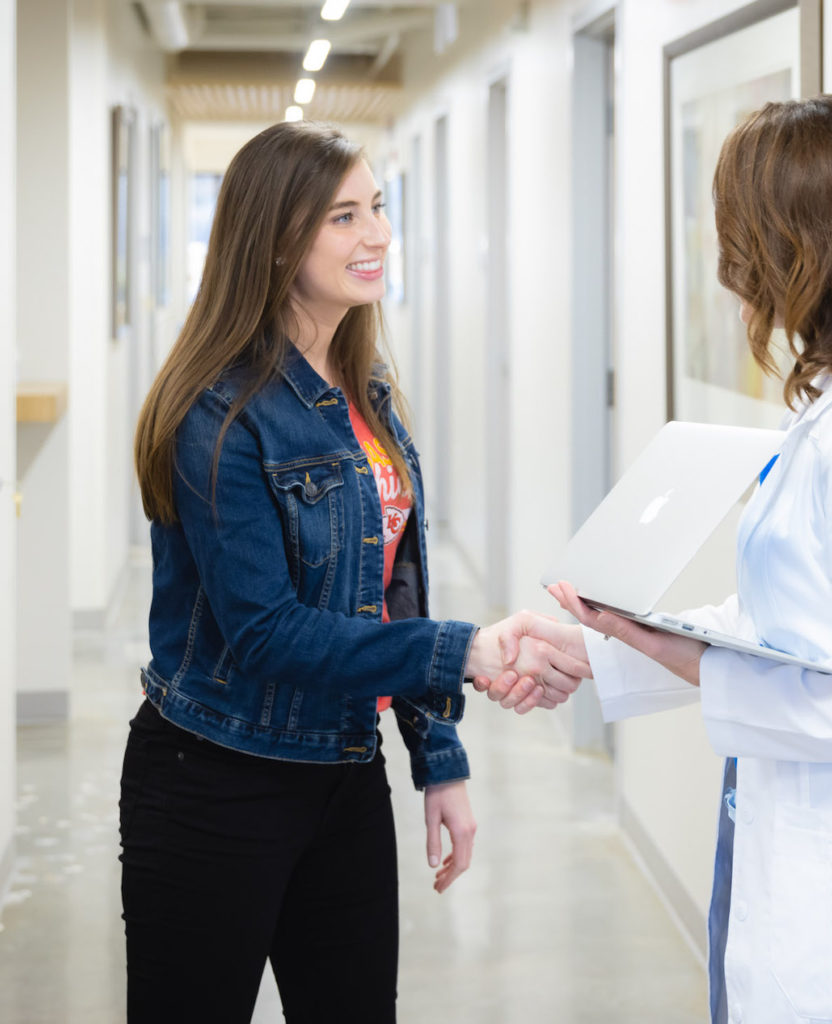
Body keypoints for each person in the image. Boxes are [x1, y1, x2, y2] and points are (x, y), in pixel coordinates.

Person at [478, 96, 832, 1023]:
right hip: (819, 871)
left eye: (737, 235)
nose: (728, 269)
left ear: (795, 247)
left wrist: (686, 658)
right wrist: (603, 648)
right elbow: (799, 628)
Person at [122, 121, 588, 1024]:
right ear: (274, 237)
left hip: (343, 771)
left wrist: (439, 760)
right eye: (343, 216)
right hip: (217, 781)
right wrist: (468, 651)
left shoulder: (366, 391)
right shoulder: (217, 411)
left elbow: (388, 596)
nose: (377, 234)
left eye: (376, 208)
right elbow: (266, 632)